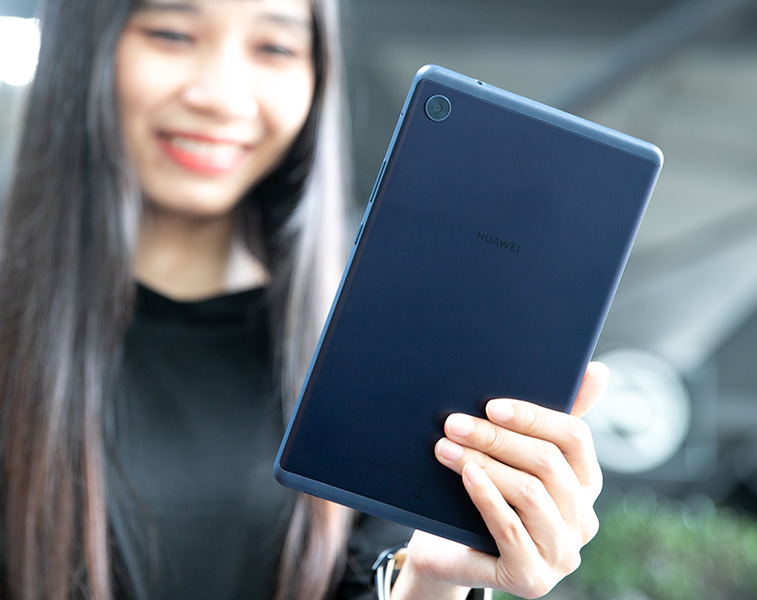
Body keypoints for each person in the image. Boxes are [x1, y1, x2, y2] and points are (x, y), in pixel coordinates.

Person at [0, 0, 608, 598]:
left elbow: (395, 574)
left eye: (274, 46)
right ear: (83, 48)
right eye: (172, 34)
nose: (223, 96)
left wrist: (435, 581)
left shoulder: (374, 344)